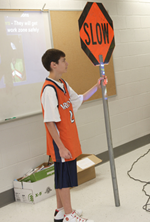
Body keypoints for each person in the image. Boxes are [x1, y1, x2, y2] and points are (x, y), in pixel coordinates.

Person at [41, 48, 105, 222]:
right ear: (54, 65)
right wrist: (60, 147)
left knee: (62, 177)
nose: (66, 63)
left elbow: (79, 99)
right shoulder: (49, 90)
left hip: (68, 139)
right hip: (60, 143)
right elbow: (49, 122)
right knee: (64, 179)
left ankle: (61, 211)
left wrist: (97, 86)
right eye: (63, 60)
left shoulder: (63, 84)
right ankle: (69, 216)